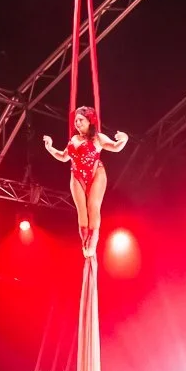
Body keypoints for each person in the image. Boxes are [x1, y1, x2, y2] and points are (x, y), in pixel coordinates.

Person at [43, 105, 129, 257]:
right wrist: (50, 148)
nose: (77, 123)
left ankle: (93, 242)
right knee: (81, 211)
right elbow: (63, 157)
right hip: (77, 176)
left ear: (90, 121)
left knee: (93, 206)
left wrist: (124, 139)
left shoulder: (98, 138)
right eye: (76, 120)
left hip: (96, 173)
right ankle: (85, 241)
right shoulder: (73, 139)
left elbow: (115, 147)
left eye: (81, 120)